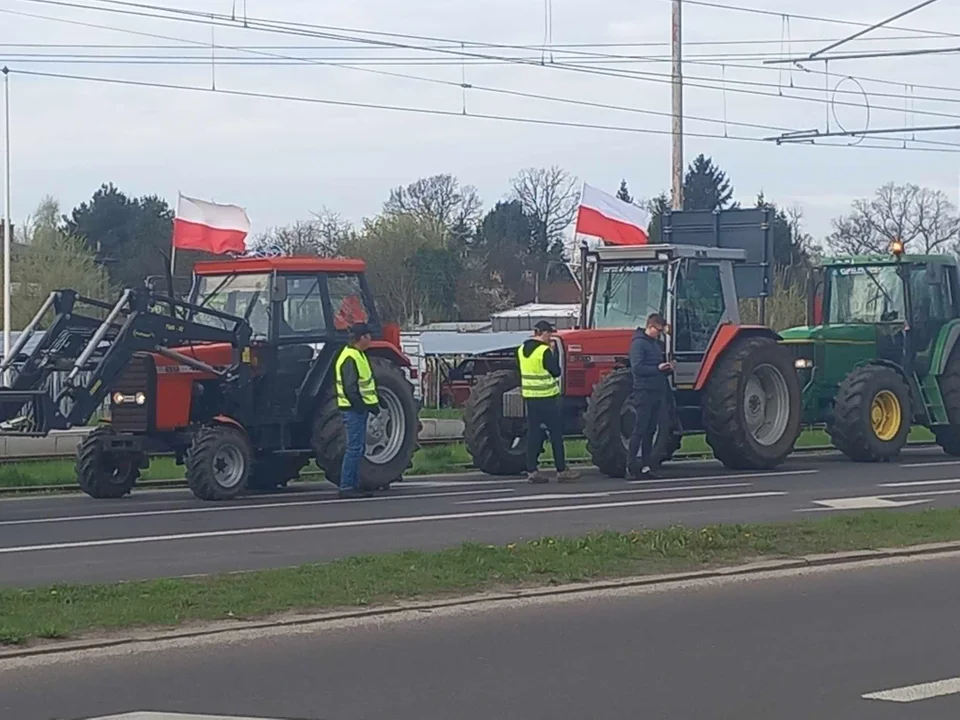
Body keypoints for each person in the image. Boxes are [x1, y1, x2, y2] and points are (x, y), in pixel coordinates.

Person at [518, 320, 581, 484]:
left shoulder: (521, 350)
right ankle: (561, 470)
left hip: (530, 398)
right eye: (549, 334)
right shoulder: (544, 351)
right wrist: (553, 353)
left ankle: (531, 470)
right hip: (547, 398)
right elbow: (556, 372)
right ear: (544, 333)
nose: (550, 337)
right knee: (555, 434)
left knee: (533, 434)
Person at [334, 322, 381, 499]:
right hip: (353, 410)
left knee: (357, 448)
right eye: (368, 336)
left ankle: (353, 484)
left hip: (357, 409)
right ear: (361, 338)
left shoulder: (357, 355)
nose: (370, 339)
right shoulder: (351, 357)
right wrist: (362, 406)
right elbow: (350, 388)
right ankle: (347, 486)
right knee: (354, 448)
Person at [628, 312, 674, 479]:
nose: (659, 334)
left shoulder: (656, 344)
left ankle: (646, 466)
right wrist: (657, 369)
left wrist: (667, 370)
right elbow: (637, 368)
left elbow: (656, 368)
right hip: (643, 391)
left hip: (657, 390)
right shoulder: (638, 344)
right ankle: (632, 465)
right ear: (650, 327)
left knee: (650, 430)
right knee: (639, 429)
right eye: (658, 330)